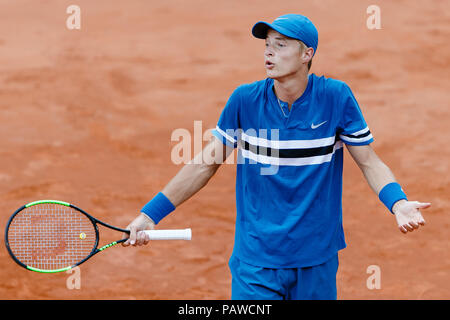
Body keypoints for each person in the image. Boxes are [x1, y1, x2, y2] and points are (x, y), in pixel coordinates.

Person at [122, 14, 431, 300]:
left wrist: (398, 202)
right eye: (267, 45)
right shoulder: (245, 100)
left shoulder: (335, 97)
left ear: (307, 54)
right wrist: (149, 215)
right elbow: (205, 163)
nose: (269, 53)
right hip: (255, 263)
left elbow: (369, 161)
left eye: (281, 46)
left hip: (316, 260)